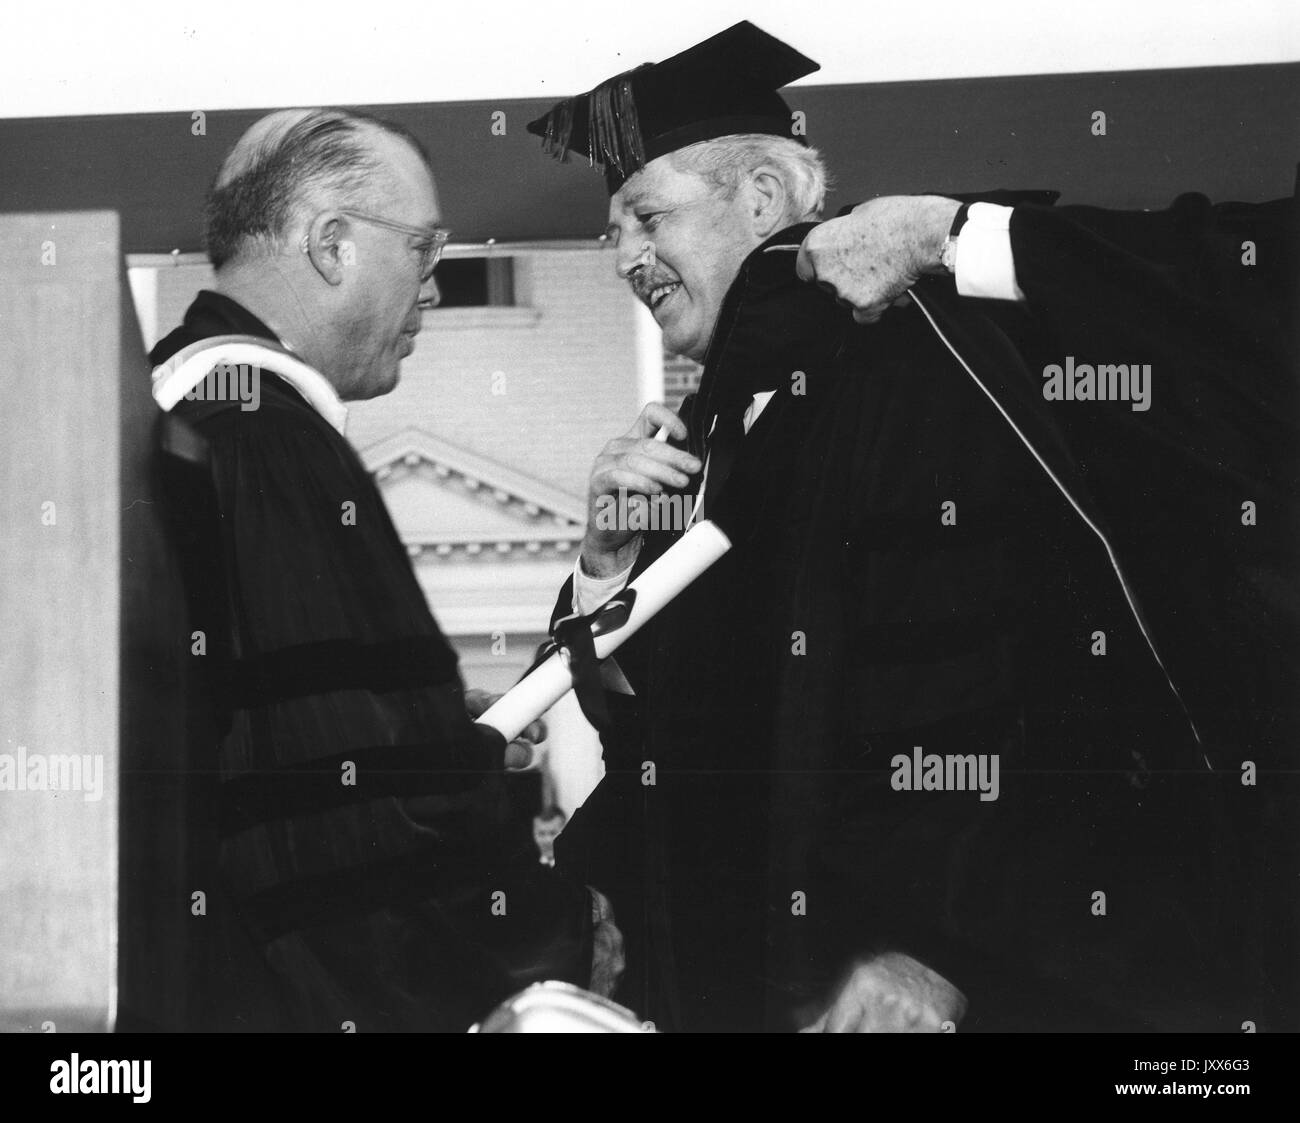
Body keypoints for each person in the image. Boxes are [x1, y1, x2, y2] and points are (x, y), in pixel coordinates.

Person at [527, 22, 1299, 1031]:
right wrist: (608, 561)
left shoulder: (916, 357)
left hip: (994, 989)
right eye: (610, 229)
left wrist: (920, 945)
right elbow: (691, 745)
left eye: (643, 216)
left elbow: (1020, 708)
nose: (621, 255)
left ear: (759, 199)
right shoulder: (731, 431)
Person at [149, 108, 597, 1031]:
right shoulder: (268, 441)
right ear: (330, 245)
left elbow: (294, 743)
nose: (432, 288)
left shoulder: (182, 409)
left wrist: (424, 741)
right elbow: (332, 818)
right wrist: (546, 933)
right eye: (424, 250)